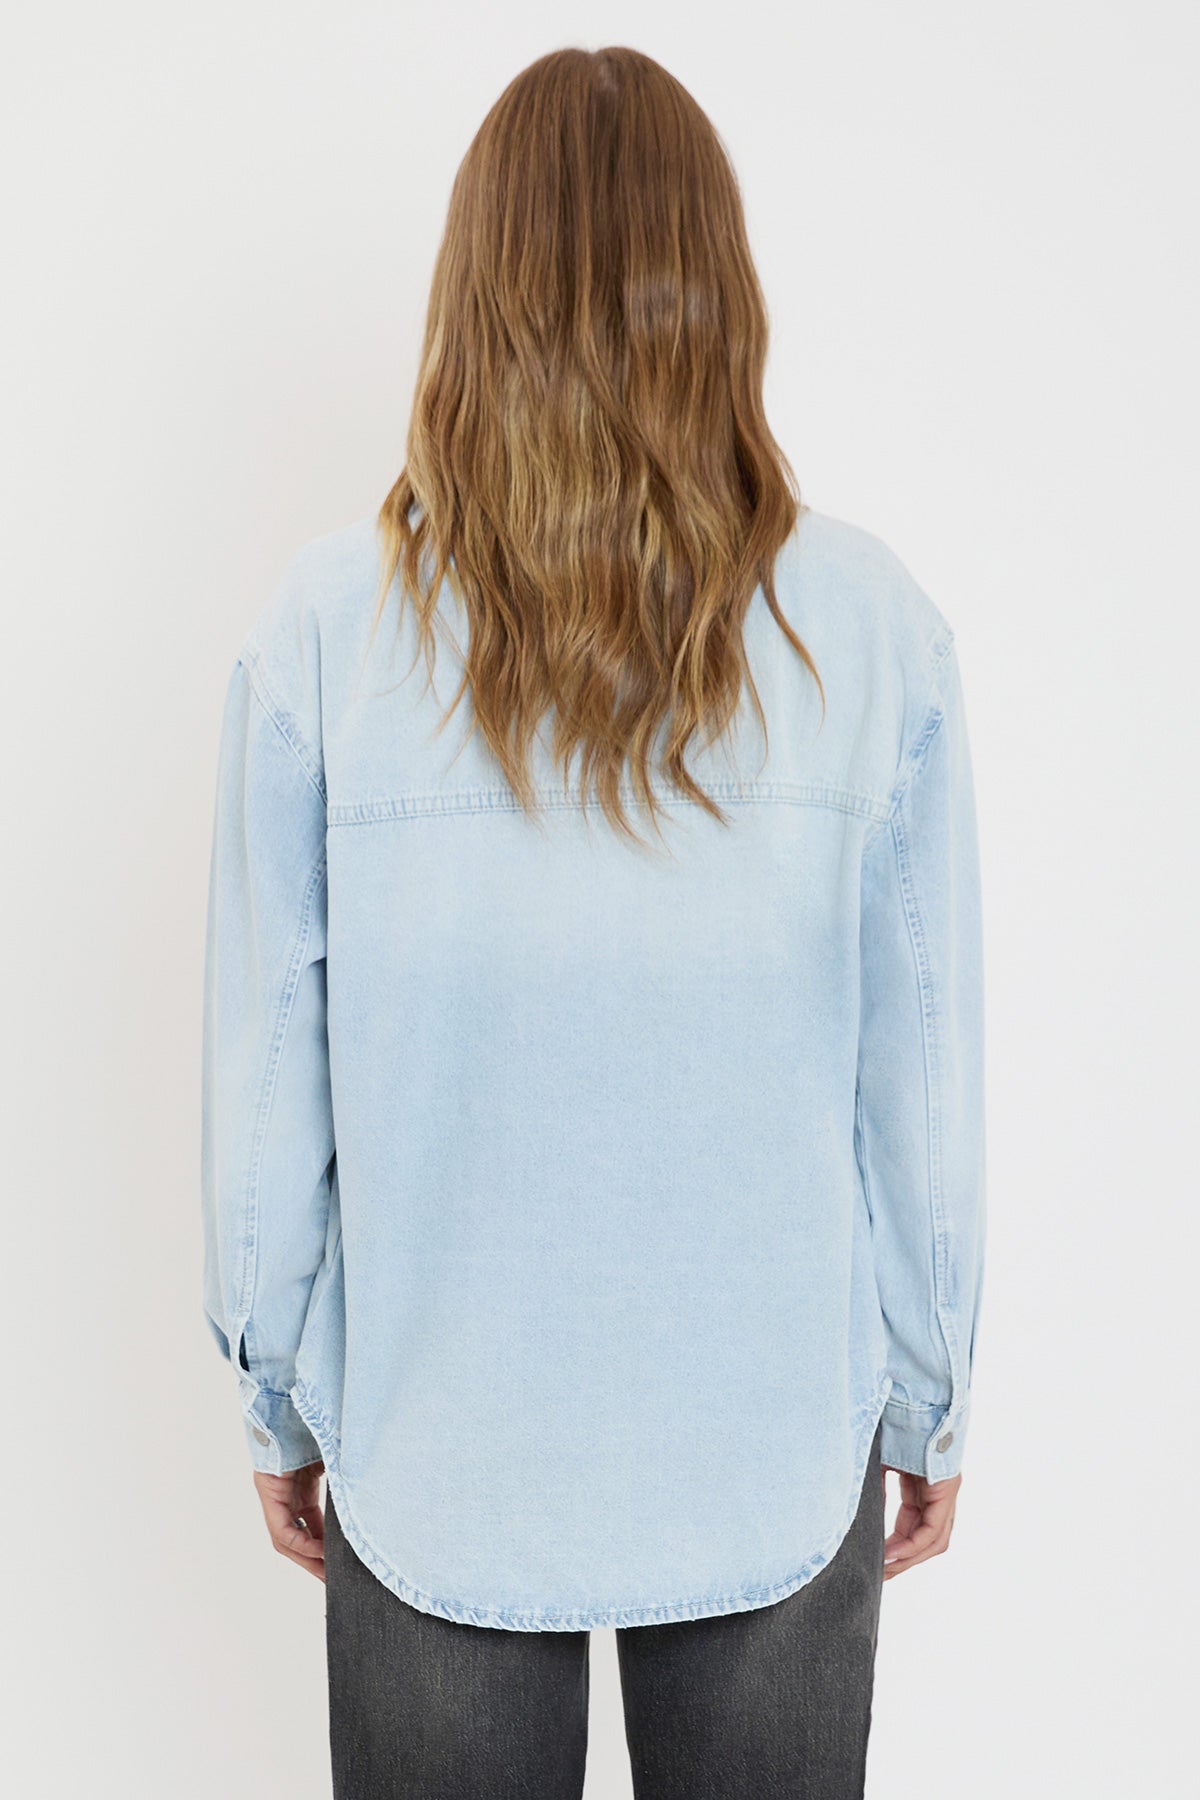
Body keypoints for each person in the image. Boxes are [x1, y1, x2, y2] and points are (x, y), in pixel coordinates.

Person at [200, 43, 987, 1800]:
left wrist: (279, 1386)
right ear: (717, 289)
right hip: (771, 1446)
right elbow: (919, 1077)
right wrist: (928, 1390)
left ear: (472, 290)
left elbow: (268, 1083)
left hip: (436, 1447)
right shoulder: (870, 632)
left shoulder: (325, 635)